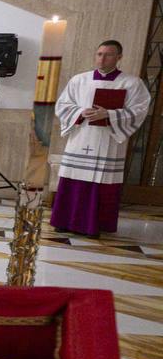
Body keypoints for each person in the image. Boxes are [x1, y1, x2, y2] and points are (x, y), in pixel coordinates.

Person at [51, 39, 151, 237]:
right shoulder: (79, 80)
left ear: (119, 57)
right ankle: (64, 221)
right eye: (99, 54)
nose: (102, 59)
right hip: (81, 137)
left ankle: (93, 225)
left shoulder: (131, 83)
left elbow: (139, 110)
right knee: (73, 178)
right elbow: (62, 105)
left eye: (108, 55)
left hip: (108, 140)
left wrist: (109, 114)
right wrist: (80, 112)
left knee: (101, 182)